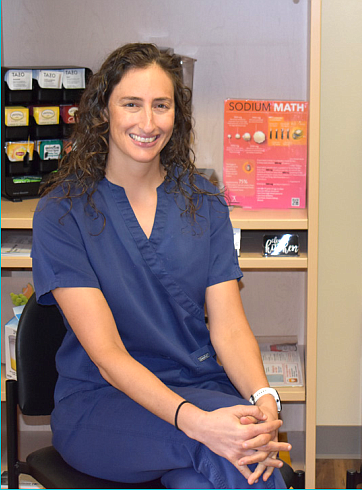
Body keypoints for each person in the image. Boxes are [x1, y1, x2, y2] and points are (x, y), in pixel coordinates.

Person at [31, 43, 290, 489]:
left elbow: (228, 327)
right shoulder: (62, 212)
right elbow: (109, 359)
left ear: (177, 115)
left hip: (196, 386)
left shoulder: (203, 201)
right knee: (239, 456)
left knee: (224, 466)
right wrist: (198, 423)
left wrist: (264, 398)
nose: (148, 123)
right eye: (131, 104)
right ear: (102, 112)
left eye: (161, 106)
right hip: (101, 405)